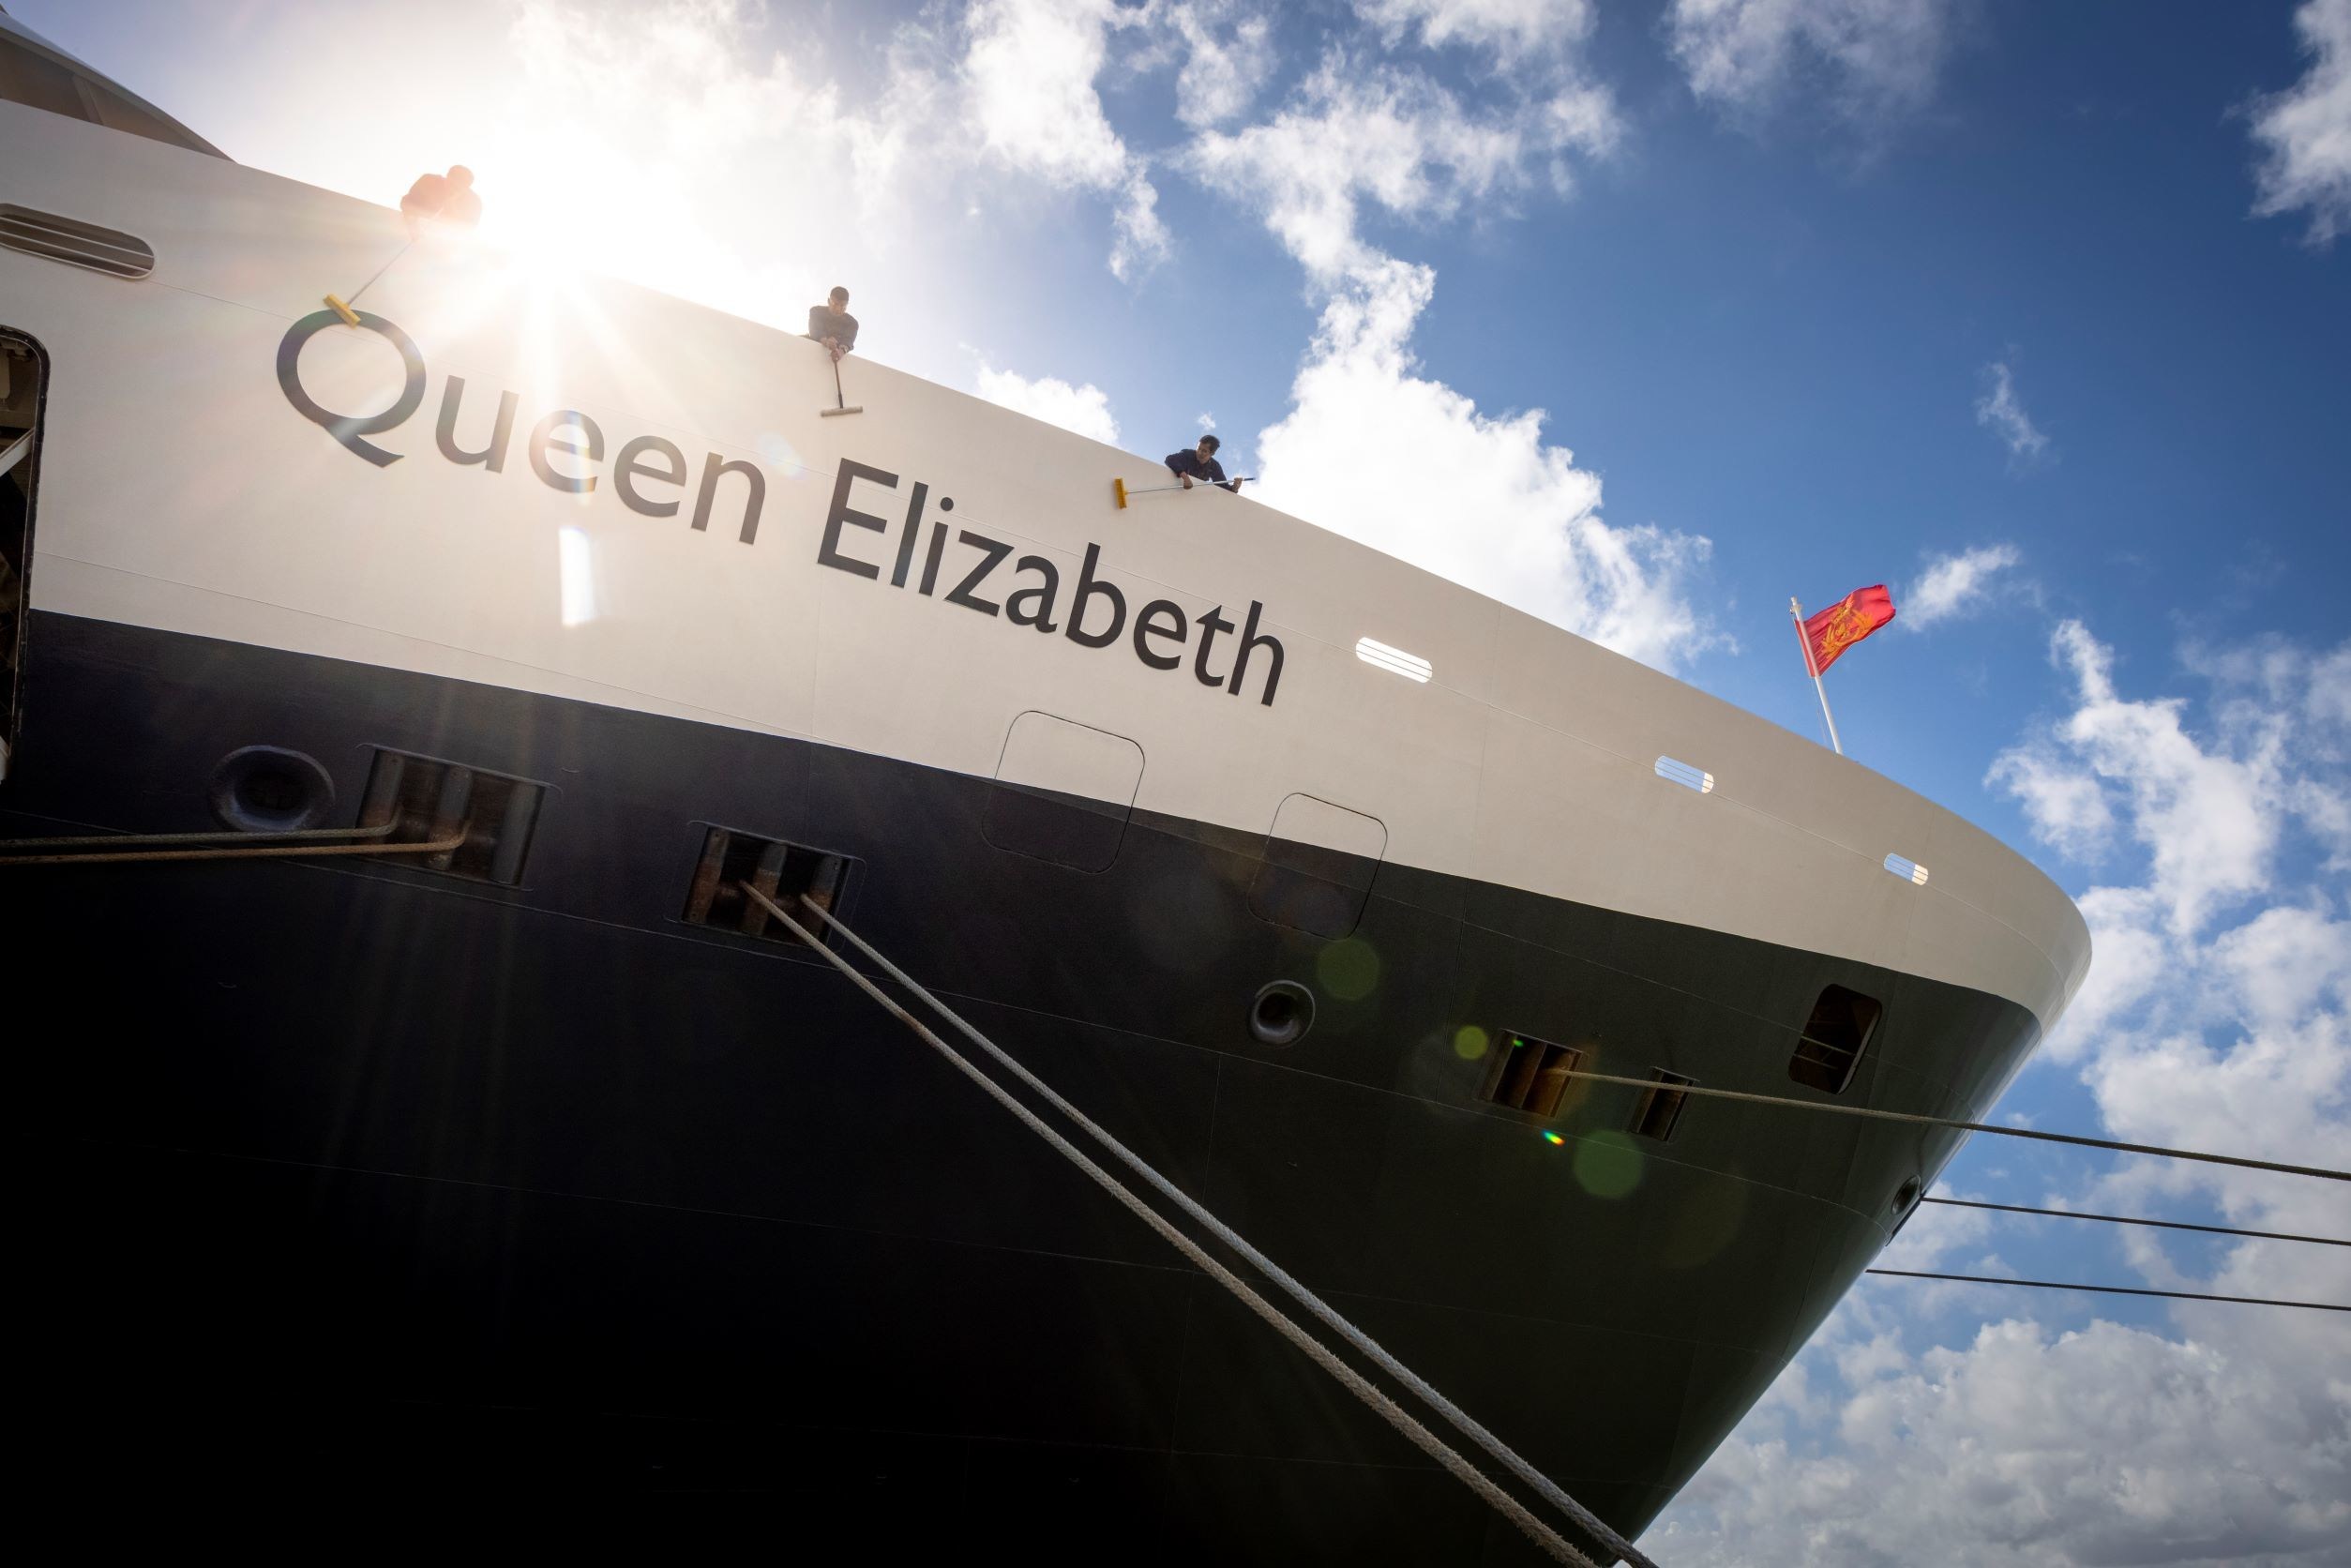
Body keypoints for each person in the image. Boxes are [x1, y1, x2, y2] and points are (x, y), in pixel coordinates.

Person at [399, 166, 482, 233]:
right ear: (447, 176)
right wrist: (412, 224)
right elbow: (407, 202)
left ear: (466, 188)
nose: (452, 189)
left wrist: (451, 205)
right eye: (451, 184)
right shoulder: (428, 180)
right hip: (412, 229)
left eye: (457, 188)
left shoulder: (474, 202)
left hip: (445, 241)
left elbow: (467, 228)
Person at [1165, 434, 1240, 493]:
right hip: (1177, 488)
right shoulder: (1188, 454)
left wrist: (1235, 487)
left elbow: (1223, 486)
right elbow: (1170, 459)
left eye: (1204, 451)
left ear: (1212, 453)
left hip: (1194, 495)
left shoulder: (1214, 466)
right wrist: (1185, 477)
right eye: (1199, 448)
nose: (1199, 452)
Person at [806, 287, 859, 362]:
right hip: (813, 347)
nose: (838, 309)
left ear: (847, 305)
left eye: (842, 306)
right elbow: (815, 331)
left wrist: (841, 352)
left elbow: (848, 341)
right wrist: (826, 341)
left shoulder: (852, 323)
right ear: (828, 301)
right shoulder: (816, 311)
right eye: (835, 304)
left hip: (836, 354)